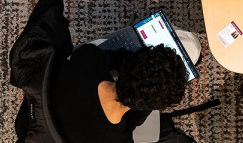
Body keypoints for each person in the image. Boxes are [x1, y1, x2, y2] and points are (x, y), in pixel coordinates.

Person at [49, 43, 188, 143]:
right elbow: (131, 123)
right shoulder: (120, 138)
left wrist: (136, 61)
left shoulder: (89, 57)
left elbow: (111, 57)